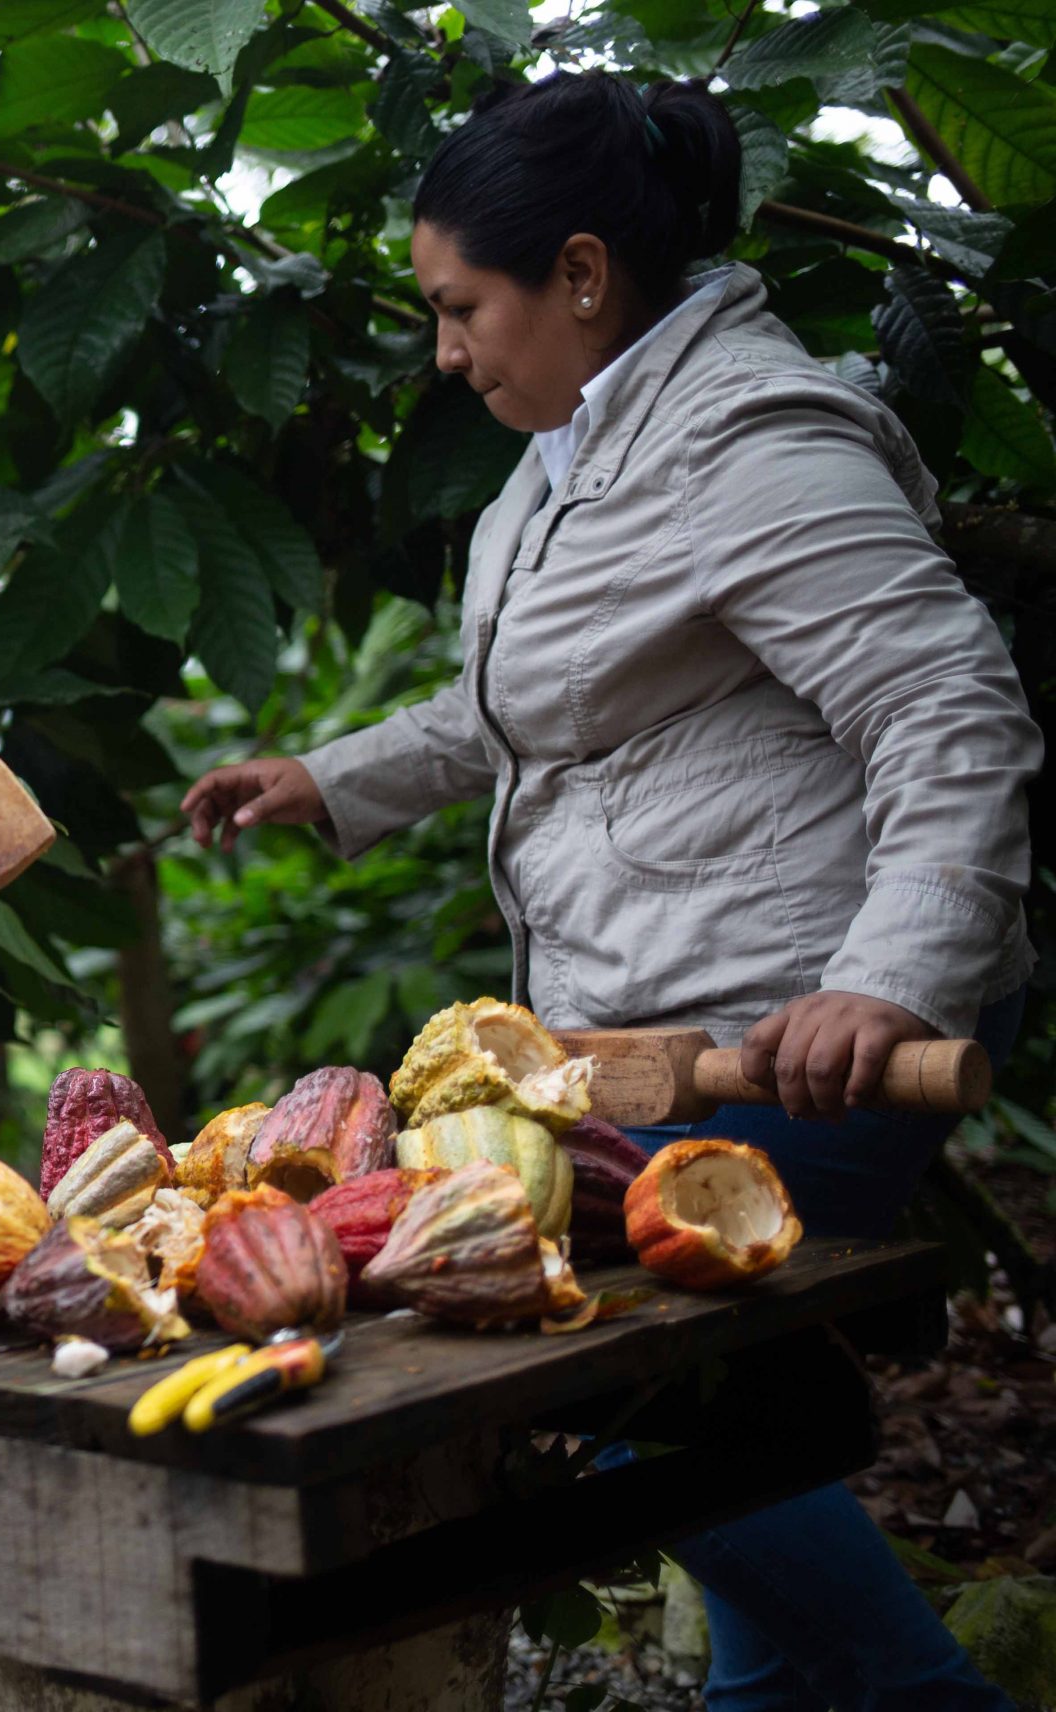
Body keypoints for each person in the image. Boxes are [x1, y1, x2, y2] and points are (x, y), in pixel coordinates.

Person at [183, 71, 1036, 1712]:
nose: (445, 350)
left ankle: (916, 1690)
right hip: (663, 1010)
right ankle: (777, 1690)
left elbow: (946, 706)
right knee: (690, 1385)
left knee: (636, 1371)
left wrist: (886, 977)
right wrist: (334, 779)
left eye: (459, 307)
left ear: (579, 275)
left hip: (800, 1013)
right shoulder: (574, 449)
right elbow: (540, 699)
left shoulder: (745, 443)